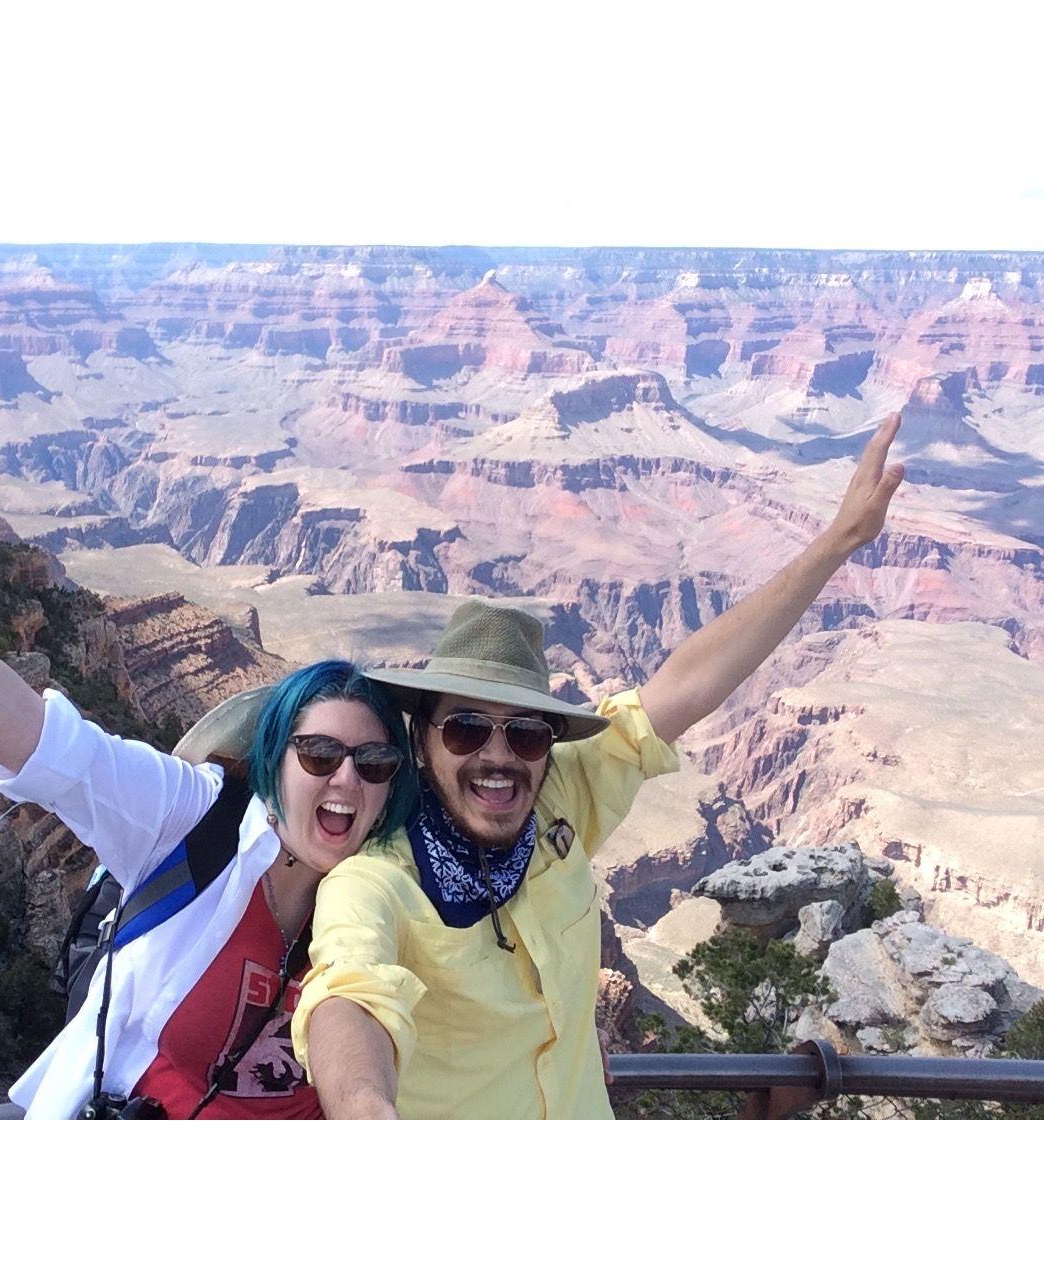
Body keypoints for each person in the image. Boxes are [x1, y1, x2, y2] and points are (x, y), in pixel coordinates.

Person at [0, 441, 417, 1119]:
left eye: (374, 764)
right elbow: (22, 727)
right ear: (275, 760)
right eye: (318, 754)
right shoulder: (194, 821)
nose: (347, 778)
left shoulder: (396, 885)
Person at [291, 413, 908, 1119]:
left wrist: (838, 542)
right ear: (422, 740)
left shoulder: (561, 799)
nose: (497, 756)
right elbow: (348, 992)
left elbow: (689, 684)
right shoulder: (380, 882)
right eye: (465, 729)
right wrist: (366, 1108)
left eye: (525, 734)